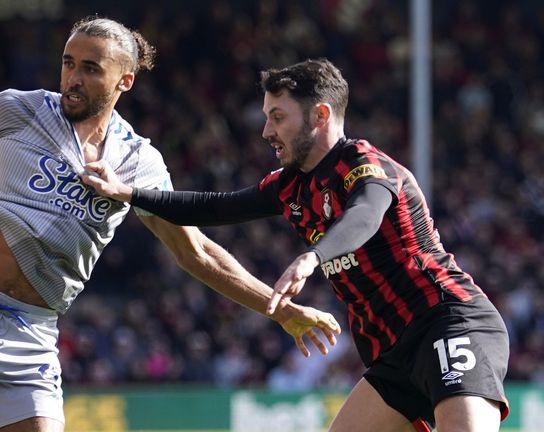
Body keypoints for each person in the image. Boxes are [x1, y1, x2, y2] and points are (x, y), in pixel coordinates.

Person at [0, 18, 340, 432]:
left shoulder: (139, 162)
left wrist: (279, 307)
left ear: (123, 83)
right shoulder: (19, 109)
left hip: (29, 332)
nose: (71, 77)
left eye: (90, 68)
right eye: (68, 62)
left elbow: (195, 252)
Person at [81, 58, 510, 432]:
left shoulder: (364, 165)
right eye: (267, 116)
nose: (267, 130)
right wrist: (129, 193)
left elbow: (364, 214)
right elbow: (213, 208)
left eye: (279, 117)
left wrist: (313, 256)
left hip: (449, 322)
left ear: (320, 115)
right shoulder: (288, 186)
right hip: (394, 357)